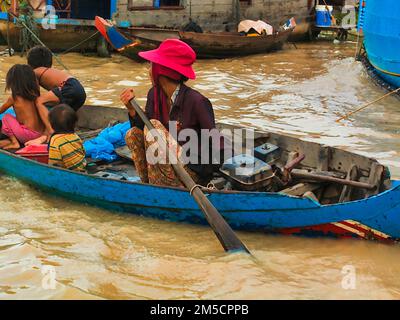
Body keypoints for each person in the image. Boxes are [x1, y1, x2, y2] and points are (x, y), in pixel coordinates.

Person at [121, 39, 225, 187]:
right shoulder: (154, 95)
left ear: (161, 70)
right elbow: (144, 130)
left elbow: (215, 142)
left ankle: (165, 187)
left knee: (155, 126)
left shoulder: (197, 101)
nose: (148, 70)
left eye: (151, 65)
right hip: (166, 166)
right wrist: (131, 110)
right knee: (132, 134)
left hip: (192, 172)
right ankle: (149, 185)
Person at [25, 45, 86, 145]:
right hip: (79, 90)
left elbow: (36, 95)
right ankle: (66, 132)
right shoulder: (50, 71)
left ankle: (50, 130)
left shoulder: (34, 72)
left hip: (69, 87)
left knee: (39, 101)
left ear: (30, 63)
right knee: (61, 112)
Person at [0, 64, 45, 150]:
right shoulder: (35, 95)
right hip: (40, 134)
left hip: (27, 135)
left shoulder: (14, 98)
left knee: (6, 117)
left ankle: (14, 143)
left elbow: (1, 111)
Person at [48, 104, 86, 172]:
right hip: (82, 166)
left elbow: (54, 162)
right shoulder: (75, 136)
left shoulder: (55, 140)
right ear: (74, 124)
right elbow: (83, 151)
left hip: (69, 171)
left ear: (52, 125)